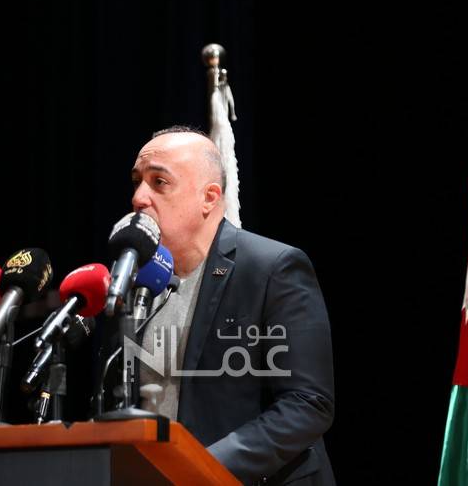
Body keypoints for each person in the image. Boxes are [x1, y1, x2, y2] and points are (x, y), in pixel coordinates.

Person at [129, 126, 335, 485]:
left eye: (159, 182)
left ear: (209, 198)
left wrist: (200, 468)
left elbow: (308, 403)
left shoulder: (273, 267)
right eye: (137, 182)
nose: (139, 198)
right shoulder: (136, 280)